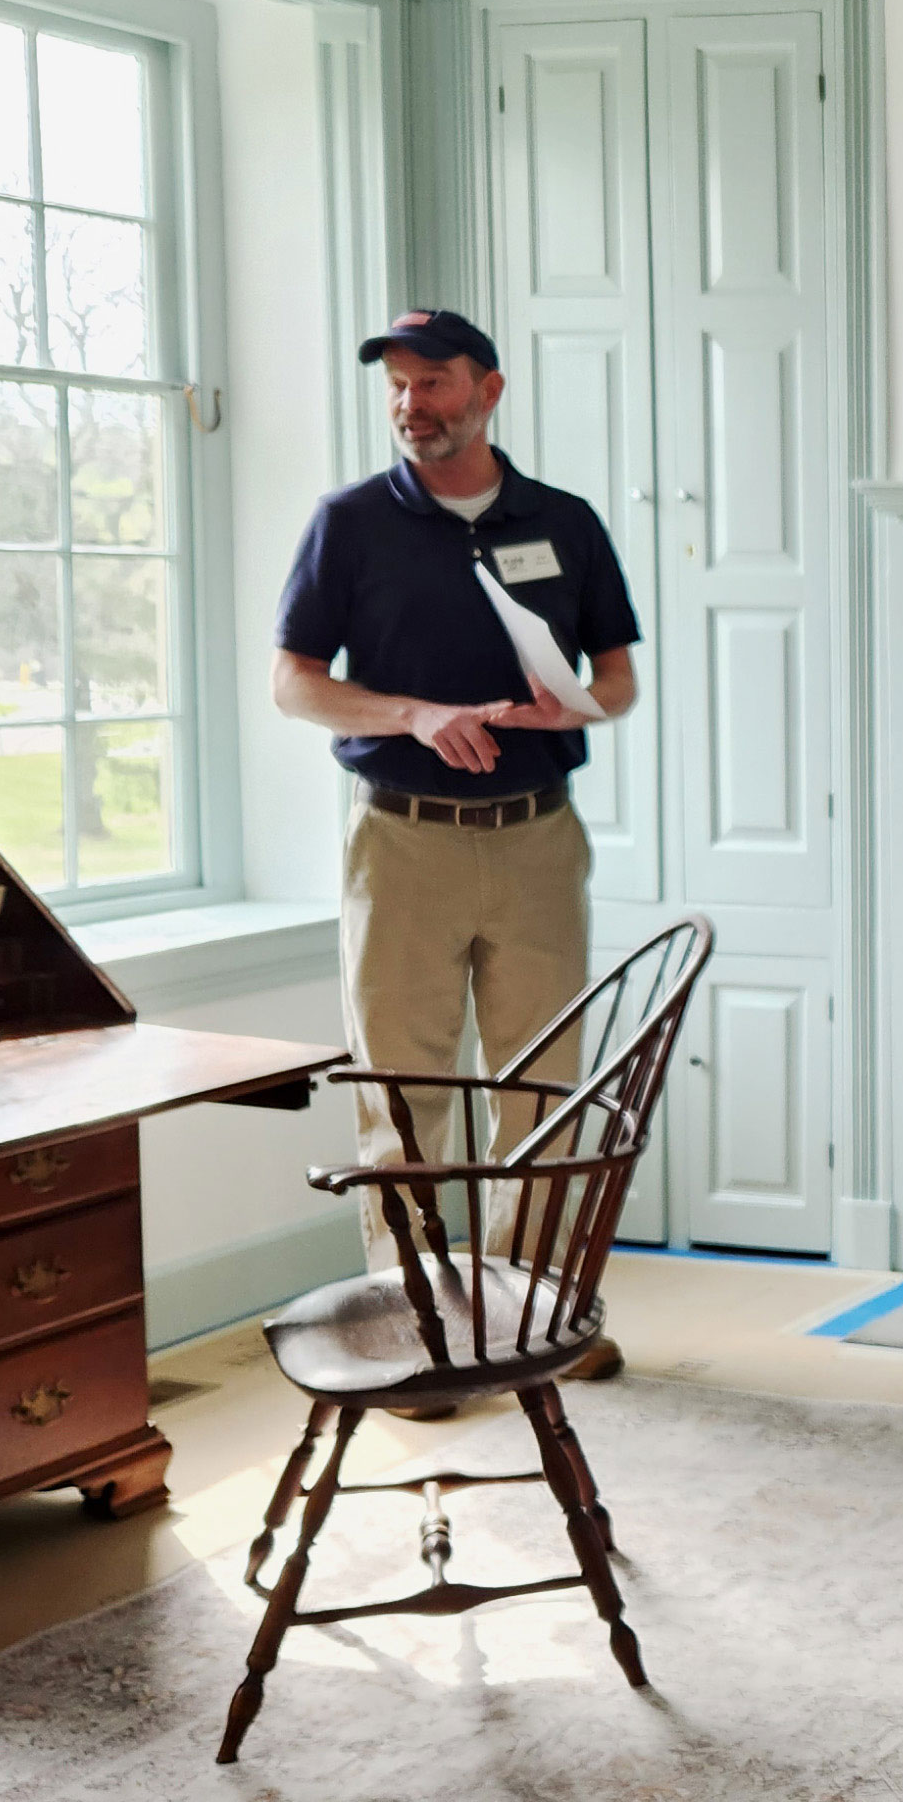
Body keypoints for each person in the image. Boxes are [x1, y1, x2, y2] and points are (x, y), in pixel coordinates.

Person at [272, 307, 638, 1391]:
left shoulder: (563, 522)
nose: (410, 403)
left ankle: (537, 1322)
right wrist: (412, 713)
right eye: (397, 384)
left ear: (489, 389)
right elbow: (294, 683)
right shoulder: (348, 523)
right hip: (402, 845)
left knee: (543, 1095)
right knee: (404, 1098)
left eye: (432, 381)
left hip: (538, 842)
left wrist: (576, 705)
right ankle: (416, 1340)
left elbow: (618, 676)